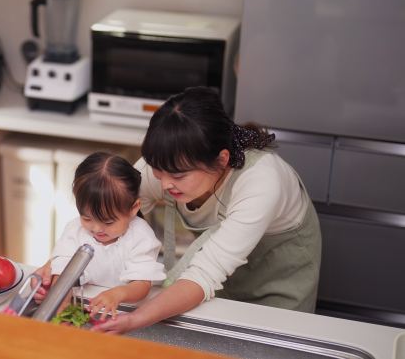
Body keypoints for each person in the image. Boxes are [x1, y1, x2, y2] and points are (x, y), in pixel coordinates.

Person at [35, 86, 321, 334]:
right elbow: (110, 214)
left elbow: (204, 275)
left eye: (178, 176)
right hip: (219, 280)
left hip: (276, 279)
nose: (165, 183)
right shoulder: (168, 164)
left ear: (221, 160)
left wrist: (135, 319)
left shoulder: (262, 182)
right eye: (158, 171)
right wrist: (59, 265)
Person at [44, 151, 165, 320]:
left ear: (133, 208)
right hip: (88, 304)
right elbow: (63, 269)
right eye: (87, 218)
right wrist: (61, 300)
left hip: (123, 311)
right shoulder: (75, 229)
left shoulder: (141, 237)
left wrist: (117, 294)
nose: (96, 228)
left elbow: (142, 284)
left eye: (108, 222)